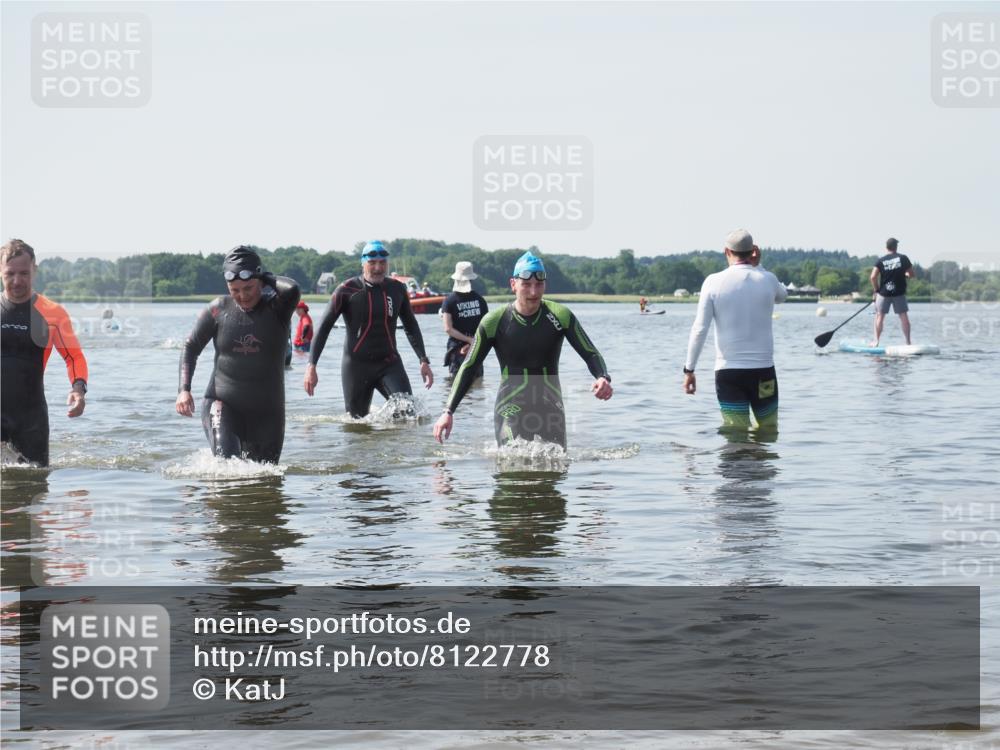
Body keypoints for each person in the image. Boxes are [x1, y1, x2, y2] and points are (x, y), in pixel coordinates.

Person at [433, 251, 613, 448]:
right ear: (513, 285)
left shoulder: (560, 315)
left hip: (550, 407)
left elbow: (590, 352)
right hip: (509, 406)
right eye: (526, 285)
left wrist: (602, 376)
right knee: (511, 466)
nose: (534, 292)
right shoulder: (494, 321)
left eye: (539, 285)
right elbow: (469, 366)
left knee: (555, 473)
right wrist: (448, 411)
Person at [175, 246, 300, 462]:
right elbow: (191, 347)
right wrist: (184, 390)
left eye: (249, 288)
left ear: (261, 280)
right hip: (223, 403)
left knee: (266, 479)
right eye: (235, 290)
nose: (242, 296)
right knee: (227, 465)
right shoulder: (218, 310)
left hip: (268, 414)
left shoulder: (277, 308)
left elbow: (292, 288)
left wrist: (263, 276)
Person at [304, 241, 433, 417]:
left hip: (390, 363)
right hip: (356, 367)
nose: (378, 268)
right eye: (372, 263)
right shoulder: (346, 290)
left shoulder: (396, 289)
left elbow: (411, 325)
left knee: (408, 414)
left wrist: (423, 360)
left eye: (382, 263)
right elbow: (324, 328)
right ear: (363, 263)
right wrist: (312, 365)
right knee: (356, 424)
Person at [683, 229, 787, 433]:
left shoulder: (713, 282)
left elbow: (700, 329)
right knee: (768, 429)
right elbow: (782, 296)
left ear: (726, 251)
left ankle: (737, 464)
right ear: (753, 251)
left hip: (728, 373)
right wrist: (760, 266)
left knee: (735, 433)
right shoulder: (768, 279)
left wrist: (689, 370)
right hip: (763, 372)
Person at [1, 239, 88, 466]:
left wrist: (78, 389)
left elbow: (74, 357)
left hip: (31, 419)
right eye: (10, 274)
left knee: (35, 489)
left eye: (24, 273)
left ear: (34, 270)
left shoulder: (53, 313)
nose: (17, 281)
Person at [441, 261, 489, 378]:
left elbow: (448, 329)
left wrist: (468, 341)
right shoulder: (480, 300)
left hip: (456, 349)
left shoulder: (449, 301)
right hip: (476, 347)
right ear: (471, 280)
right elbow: (487, 326)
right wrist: (473, 342)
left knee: (456, 383)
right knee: (477, 382)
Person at [870, 237, 915, 346]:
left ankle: (876, 341)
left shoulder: (880, 261)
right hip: (899, 293)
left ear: (886, 247)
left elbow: (872, 277)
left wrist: (876, 290)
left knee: (879, 316)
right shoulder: (903, 258)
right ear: (896, 247)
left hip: (883, 293)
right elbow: (911, 274)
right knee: (903, 316)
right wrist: (905, 275)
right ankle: (908, 343)